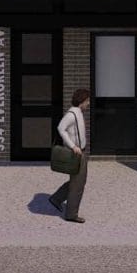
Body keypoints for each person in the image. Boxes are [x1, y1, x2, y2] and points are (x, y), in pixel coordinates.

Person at [49, 87, 90, 222]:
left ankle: (56, 198)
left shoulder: (78, 112)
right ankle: (71, 214)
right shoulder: (72, 114)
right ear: (82, 101)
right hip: (77, 153)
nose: (88, 103)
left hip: (81, 151)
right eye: (87, 101)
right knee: (78, 184)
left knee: (76, 181)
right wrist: (73, 146)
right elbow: (61, 128)